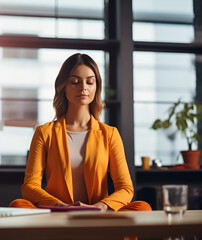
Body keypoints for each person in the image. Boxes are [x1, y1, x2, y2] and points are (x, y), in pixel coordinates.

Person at [9, 53, 151, 212]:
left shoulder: (109, 134)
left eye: (90, 82)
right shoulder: (44, 132)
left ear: (96, 87)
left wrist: (99, 207)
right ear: (63, 86)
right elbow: (30, 186)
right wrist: (60, 206)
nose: (83, 87)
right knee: (18, 204)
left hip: (99, 214)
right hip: (58, 213)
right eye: (75, 82)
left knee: (142, 207)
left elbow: (125, 187)